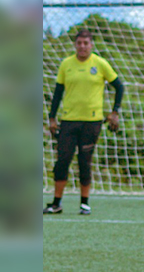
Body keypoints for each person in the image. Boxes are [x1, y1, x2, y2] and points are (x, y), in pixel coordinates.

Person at [44, 29, 124, 216]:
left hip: (92, 122)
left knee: (84, 161)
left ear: (91, 45)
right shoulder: (66, 64)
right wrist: (52, 117)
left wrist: (114, 112)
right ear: (75, 44)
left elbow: (119, 87)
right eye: (79, 43)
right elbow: (57, 93)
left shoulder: (100, 64)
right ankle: (56, 203)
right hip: (69, 121)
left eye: (86, 43)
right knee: (63, 161)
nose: (82, 46)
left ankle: (85, 203)